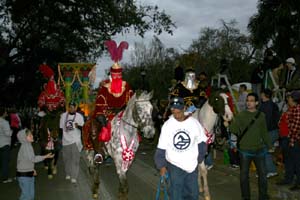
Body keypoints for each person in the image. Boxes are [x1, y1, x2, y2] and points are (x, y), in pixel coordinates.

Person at [154, 97, 207, 200]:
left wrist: (199, 159)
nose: (175, 111)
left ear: (183, 108)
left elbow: (202, 143)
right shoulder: (167, 125)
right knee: (176, 194)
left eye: (178, 108)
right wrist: (161, 166)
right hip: (174, 166)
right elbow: (161, 148)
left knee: (192, 194)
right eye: (173, 109)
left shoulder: (194, 123)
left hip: (191, 166)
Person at [225, 92, 272, 200]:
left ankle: (263, 196)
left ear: (256, 102)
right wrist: (228, 125)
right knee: (244, 176)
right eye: (247, 100)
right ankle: (246, 197)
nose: (248, 103)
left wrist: (269, 145)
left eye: (251, 101)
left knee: (263, 175)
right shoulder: (241, 115)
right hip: (245, 150)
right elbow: (234, 130)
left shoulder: (261, 116)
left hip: (259, 150)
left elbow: (264, 132)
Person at [16, 128, 53, 200]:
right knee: (27, 196)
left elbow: (25, 161)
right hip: (24, 176)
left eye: (31, 134)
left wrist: (32, 169)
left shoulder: (27, 145)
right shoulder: (26, 146)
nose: (32, 136)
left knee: (29, 195)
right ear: (24, 138)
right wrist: (45, 156)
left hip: (27, 173)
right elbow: (33, 159)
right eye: (29, 135)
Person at [277, 91, 300, 190]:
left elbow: (295, 128)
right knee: (289, 160)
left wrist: (291, 141)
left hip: (294, 140)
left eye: (290, 98)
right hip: (288, 139)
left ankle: (298, 183)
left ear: (294, 100)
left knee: (297, 162)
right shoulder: (292, 108)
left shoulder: (297, 110)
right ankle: (288, 179)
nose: (288, 99)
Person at [60, 102, 84, 184]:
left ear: (76, 108)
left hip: (75, 141)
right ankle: (68, 173)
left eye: (73, 107)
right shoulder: (63, 116)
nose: (72, 109)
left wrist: (78, 126)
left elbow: (83, 128)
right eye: (70, 107)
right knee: (67, 159)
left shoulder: (79, 117)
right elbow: (60, 128)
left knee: (75, 160)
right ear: (68, 108)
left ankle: (74, 176)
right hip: (65, 141)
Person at [259, 88, 280, 178]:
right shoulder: (273, 105)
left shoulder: (266, 106)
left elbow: (265, 121)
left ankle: (271, 170)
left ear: (263, 94)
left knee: (265, 151)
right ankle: (265, 170)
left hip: (269, 132)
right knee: (265, 151)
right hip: (274, 131)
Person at [0, 107, 13, 183]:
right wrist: (11, 131)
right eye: (5, 112)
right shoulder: (4, 122)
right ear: (3, 113)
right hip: (5, 144)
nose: (6, 113)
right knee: (5, 161)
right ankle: (5, 178)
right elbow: (8, 134)